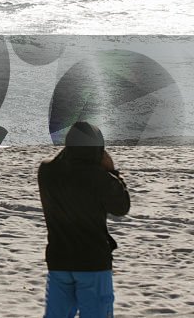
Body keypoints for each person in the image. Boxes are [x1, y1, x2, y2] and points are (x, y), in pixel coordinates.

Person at [38, 121, 130, 317]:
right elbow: (121, 208)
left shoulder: (47, 172)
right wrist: (112, 172)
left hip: (58, 260)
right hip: (92, 262)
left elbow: (57, 163)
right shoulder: (100, 178)